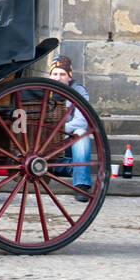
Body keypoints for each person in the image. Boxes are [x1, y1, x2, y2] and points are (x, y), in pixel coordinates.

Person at [49, 54, 95, 200]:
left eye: (62, 74)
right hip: (46, 143)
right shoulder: (41, 90)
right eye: (54, 74)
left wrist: (58, 131)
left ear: (69, 76)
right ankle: (73, 168)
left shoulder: (79, 91)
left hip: (67, 141)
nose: (58, 78)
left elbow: (81, 121)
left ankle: (81, 185)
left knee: (81, 133)